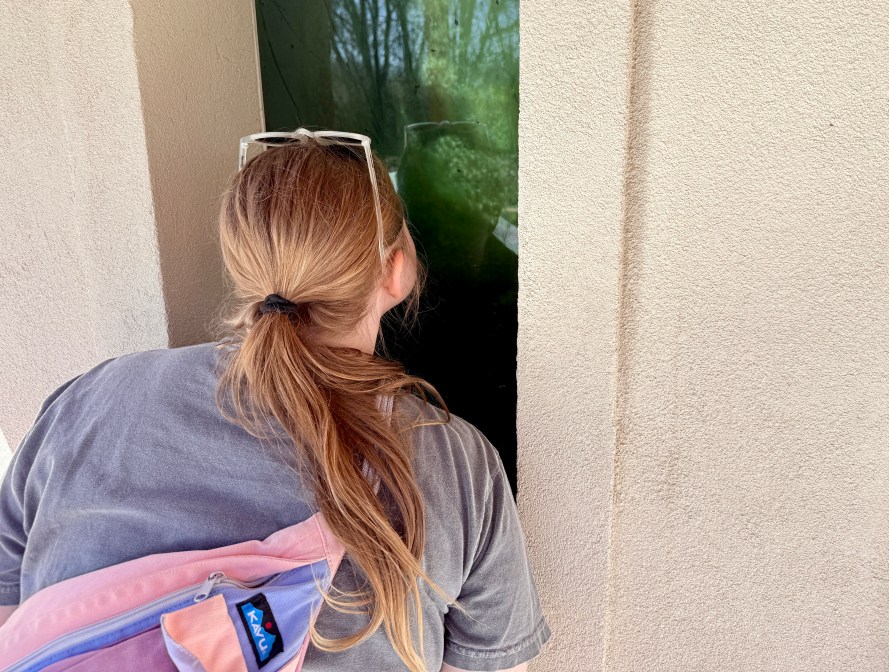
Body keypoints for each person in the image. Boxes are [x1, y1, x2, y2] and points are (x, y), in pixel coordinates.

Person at [0, 132, 550, 672]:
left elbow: (10, 608)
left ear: (242, 262)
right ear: (397, 268)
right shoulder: (453, 462)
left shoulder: (89, 403)